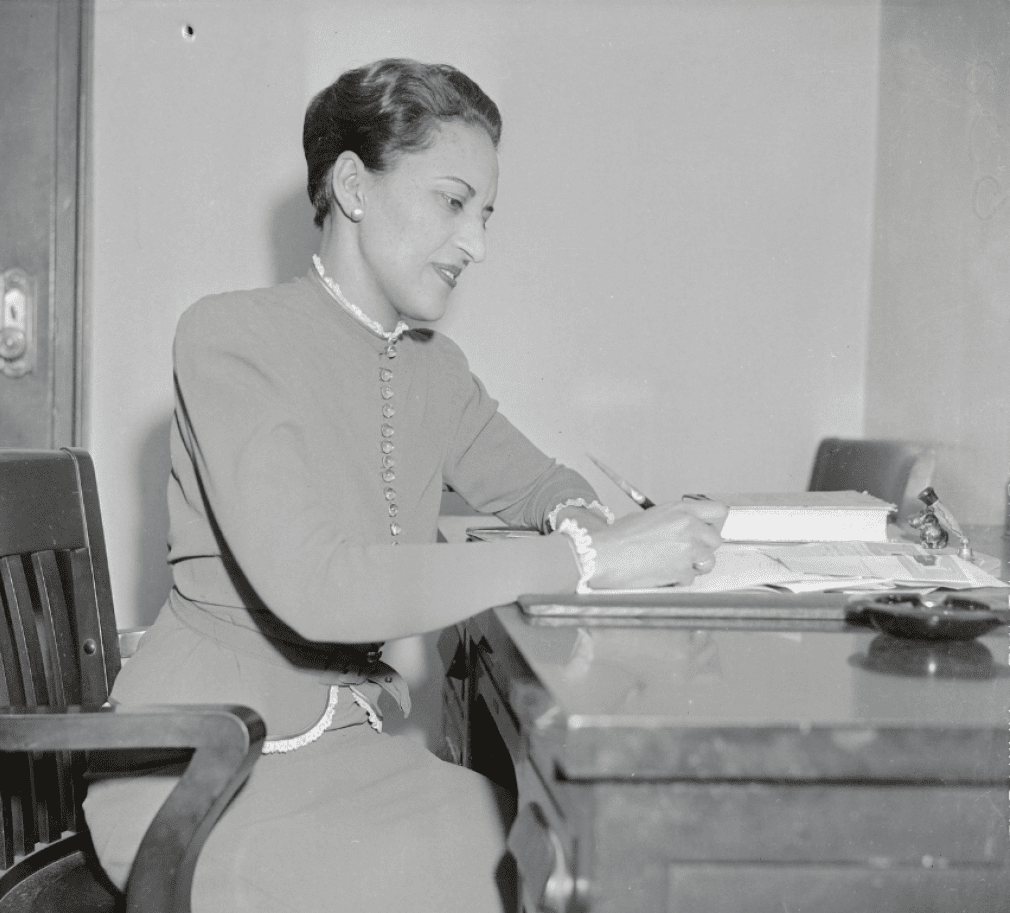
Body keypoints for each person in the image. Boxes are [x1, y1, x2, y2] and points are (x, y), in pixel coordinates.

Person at [83, 57, 725, 913]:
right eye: (453, 202)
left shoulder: (434, 369)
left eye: (487, 214)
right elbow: (324, 587)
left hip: (349, 751)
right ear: (352, 185)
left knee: (542, 844)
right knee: (520, 870)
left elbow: (543, 481)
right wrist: (587, 559)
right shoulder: (226, 338)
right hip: (204, 772)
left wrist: (578, 516)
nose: (477, 244)